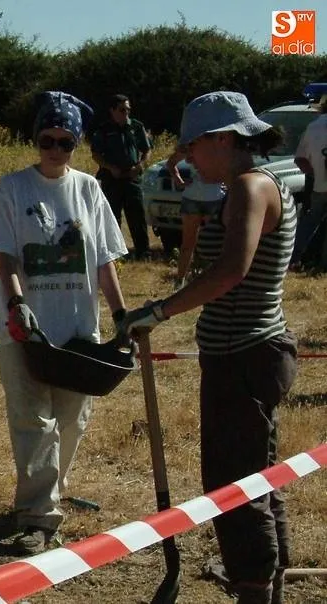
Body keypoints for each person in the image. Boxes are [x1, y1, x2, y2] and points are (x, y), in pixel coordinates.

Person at [121, 91, 297, 604]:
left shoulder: (248, 187)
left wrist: (159, 311)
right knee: (256, 476)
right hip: (252, 350)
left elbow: (231, 271)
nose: (190, 155)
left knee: (232, 484)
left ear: (223, 139)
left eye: (194, 145)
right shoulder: (253, 184)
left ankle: (252, 586)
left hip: (244, 354)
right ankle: (267, 578)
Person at [0, 91, 129, 555]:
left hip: (77, 328)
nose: (54, 149)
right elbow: (6, 254)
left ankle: (50, 489)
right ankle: (38, 517)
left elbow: (104, 258)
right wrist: (17, 304)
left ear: (77, 144)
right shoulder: (13, 187)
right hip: (24, 329)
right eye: (47, 139)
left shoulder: (89, 188)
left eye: (65, 142)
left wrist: (121, 314)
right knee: (32, 420)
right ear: (35, 138)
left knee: (71, 419)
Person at [91, 94, 153, 259]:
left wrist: (140, 166)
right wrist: (110, 167)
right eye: (122, 110)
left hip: (132, 177)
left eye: (128, 110)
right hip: (112, 178)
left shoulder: (136, 127)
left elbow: (147, 150)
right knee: (112, 216)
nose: (126, 113)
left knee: (137, 216)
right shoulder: (104, 130)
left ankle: (143, 252)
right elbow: (96, 154)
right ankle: (114, 253)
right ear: (112, 111)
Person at [164, 147, 226, 287]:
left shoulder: (220, 146)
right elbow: (171, 162)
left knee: (214, 242)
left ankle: (213, 279)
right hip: (194, 198)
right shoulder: (194, 146)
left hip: (214, 197)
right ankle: (180, 281)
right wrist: (178, 180)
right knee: (188, 243)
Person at [291, 94, 327, 269]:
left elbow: (300, 159)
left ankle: (294, 257)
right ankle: (322, 265)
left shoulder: (313, 127)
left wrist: (314, 175)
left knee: (309, 221)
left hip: (319, 186)